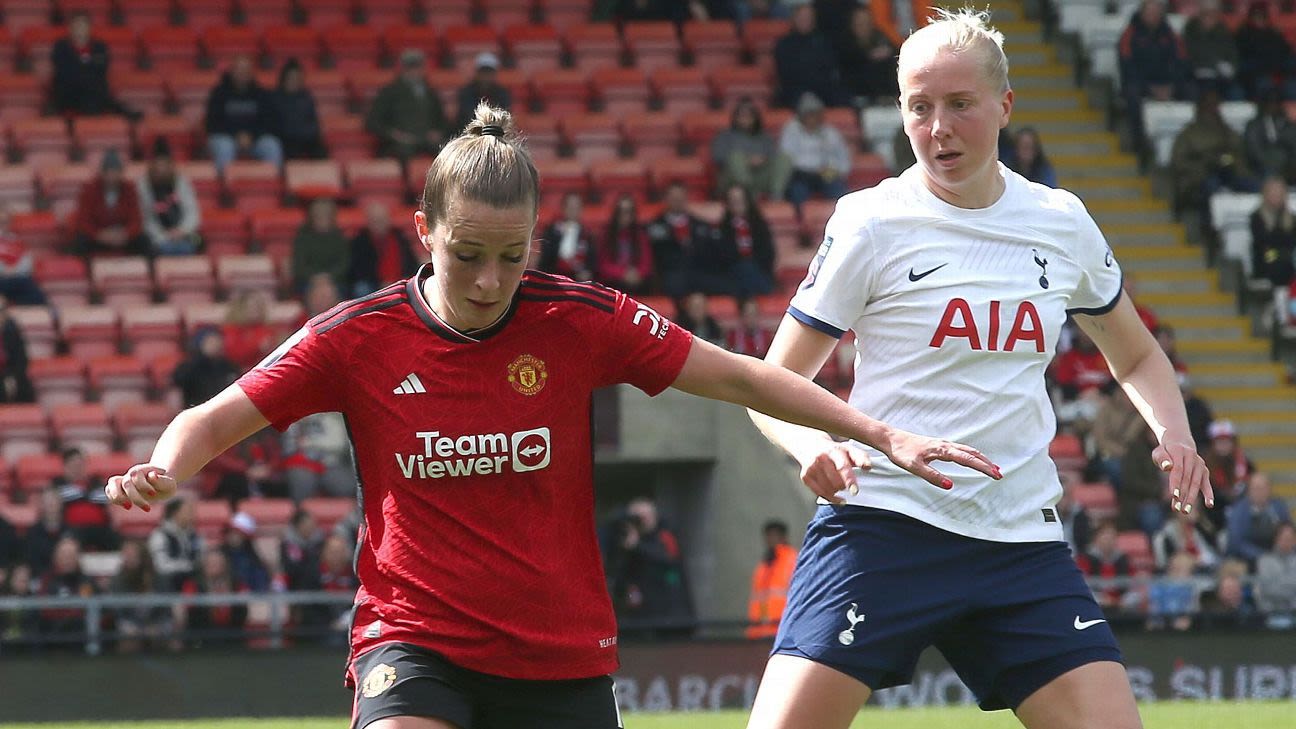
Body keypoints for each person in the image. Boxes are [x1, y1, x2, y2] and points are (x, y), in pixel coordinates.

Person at [104, 104, 997, 729]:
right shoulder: (357, 338)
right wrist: (166, 467)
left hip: (561, 653)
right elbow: (211, 418)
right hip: (414, 637)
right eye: (467, 255)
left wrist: (879, 432)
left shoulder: (580, 319)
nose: (492, 280)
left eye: (511, 253)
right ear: (424, 231)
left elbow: (744, 380)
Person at [743, 11, 1211, 729]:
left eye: (960, 104)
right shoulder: (870, 222)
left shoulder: (1060, 220)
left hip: (1019, 540)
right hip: (883, 525)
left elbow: (1138, 351)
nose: (938, 128)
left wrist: (1174, 431)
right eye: (919, 108)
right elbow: (772, 384)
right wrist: (814, 447)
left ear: (1005, 105)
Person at [1170, 87, 1256, 221]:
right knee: (1212, 187)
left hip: (1229, 173)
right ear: (1201, 107)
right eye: (1209, 105)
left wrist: (1229, 161)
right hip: (1201, 177)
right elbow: (1179, 162)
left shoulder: (1227, 131)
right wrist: (1205, 164)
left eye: (1215, 105)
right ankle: (1209, 228)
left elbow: (1240, 153)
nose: (1213, 109)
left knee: (1253, 185)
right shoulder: (1188, 134)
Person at [1119, 0, 1194, 151]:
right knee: (1132, 93)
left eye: (1156, 13)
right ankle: (1139, 141)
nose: (1153, 16)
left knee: (1192, 90)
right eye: (1149, 13)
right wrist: (1151, 88)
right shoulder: (1129, 34)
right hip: (1141, 83)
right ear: (1142, 14)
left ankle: (1189, 139)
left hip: (1168, 83)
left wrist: (1171, 86)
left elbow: (1182, 62)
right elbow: (1127, 67)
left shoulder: (1171, 34)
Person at [205, 55, 284, 174]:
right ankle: (224, 187)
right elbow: (212, 123)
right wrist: (236, 135)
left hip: (254, 139)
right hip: (225, 137)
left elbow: (269, 122)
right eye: (239, 70)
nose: (242, 74)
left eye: (246, 71)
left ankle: (272, 185)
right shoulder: (219, 93)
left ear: (251, 73)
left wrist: (251, 136)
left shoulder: (261, 94)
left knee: (272, 145)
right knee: (225, 147)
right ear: (232, 71)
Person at [366, 49, 448, 161]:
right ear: (403, 68)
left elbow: (441, 119)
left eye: (418, 66)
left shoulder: (430, 92)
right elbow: (373, 122)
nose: (414, 71)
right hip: (400, 143)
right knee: (403, 151)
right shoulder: (390, 92)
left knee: (446, 151)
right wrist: (395, 135)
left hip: (426, 139)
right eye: (410, 67)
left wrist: (437, 132)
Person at [50, 11, 135, 118]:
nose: (79, 29)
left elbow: (101, 70)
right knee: (91, 92)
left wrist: (78, 65)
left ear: (89, 28)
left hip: (94, 93)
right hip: (69, 94)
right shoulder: (60, 47)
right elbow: (63, 72)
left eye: (83, 26)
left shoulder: (100, 47)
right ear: (70, 28)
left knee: (96, 92)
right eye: (76, 26)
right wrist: (88, 65)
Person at [72, 149, 147, 257]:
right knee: (80, 241)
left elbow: (136, 220)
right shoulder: (89, 189)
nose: (112, 177)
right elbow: (83, 221)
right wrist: (99, 235)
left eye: (115, 172)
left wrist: (125, 234)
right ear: (102, 173)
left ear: (121, 173)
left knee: (144, 241)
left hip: (122, 236)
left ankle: (141, 271)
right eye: (108, 172)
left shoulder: (130, 189)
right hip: (98, 235)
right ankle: (86, 271)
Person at [779, 92, 852, 206]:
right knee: (797, 192)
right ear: (801, 116)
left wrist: (836, 171)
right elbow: (786, 157)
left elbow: (843, 158)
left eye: (815, 114)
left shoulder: (831, 132)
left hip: (826, 174)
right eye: (809, 115)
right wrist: (812, 168)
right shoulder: (791, 130)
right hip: (801, 174)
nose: (812, 118)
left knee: (839, 191)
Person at [137, 139, 202, 256]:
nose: (161, 169)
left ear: (171, 165)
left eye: (165, 165)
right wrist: (164, 235)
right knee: (144, 242)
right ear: (152, 165)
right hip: (156, 236)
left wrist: (181, 231)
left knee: (199, 240)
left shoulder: (182, 182)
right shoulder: (143, 185)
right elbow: (145, 218)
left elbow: (193, 213)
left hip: (183, 234)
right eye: (158, 165)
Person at [774, 3, 844, 109]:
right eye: (801, 17)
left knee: (843, 99)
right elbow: (785, 74)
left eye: (808, 17)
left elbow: (829, 69)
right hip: (795, 92)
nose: (805, 20)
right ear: (794, 19)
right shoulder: (784, 44)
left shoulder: (825, 42)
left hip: (823, 90)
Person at [347, 202, 419, 296]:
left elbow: (411, 263)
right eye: (376, 221)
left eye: (382, 220)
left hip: (399, 280)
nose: (379, 224)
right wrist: (380, 282)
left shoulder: (399, 238)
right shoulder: (360, 241)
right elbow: (358, 270)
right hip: (372, 283)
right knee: (362, 288)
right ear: (369, 222)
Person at [719, 184, 777, 298]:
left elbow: (768, 253)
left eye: (739, 200)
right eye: (733, 201)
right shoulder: (722, 229)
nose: (736, 204)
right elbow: (722, 256)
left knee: (750, 269)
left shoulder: (759, 226)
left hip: (758, 270)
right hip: (733, 274)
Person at [1225, 470, 1292, 567]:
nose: (1259, 492)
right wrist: (1261, 555)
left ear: (1269, 489)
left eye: (1263, 488)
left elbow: (1288, 530)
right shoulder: (1238, 511)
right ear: (1248, 491)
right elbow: (1235, 542)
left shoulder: (1279, 507)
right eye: (1256, 489)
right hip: (1246, 560)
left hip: (1278, 556)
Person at [837, 6, 900, 108]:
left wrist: (889, 53)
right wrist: (868, 57)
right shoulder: (845, 45)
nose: (863, 26)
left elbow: (896, 54)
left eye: (866, 22)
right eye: (859, 23)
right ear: (852, 24)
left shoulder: (880, 37)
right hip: (859, 97)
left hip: (888, 98)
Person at [1182, 0, 1244, 100]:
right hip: (1196, 75)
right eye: (1206, 13)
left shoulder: (1224, 32)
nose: (1209, 17)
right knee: (1191, 91)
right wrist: (1217, 64)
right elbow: (1193, 53)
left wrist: (1231, 68)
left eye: (1213, 13)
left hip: (1220, 78)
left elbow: (1233, 55)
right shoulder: (1191, 30)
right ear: (1200, 14)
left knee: (1236, 92)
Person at [1236, 0, 1296, 100]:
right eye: (1256, 16)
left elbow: (1287, 54)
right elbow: (1242, 62)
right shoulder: (1243, 35)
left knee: (1292, 86)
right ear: (1250, 17)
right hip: (1255, 77)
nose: (1259, 19)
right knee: (1264, 83)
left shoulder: (1275, 34)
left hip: (1279, 74)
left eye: (1262, 16)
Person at [747, 519, 797, 639]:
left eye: (774, 535)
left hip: (783, 630)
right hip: (760, 632)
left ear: (783, 537)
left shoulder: (792, 560)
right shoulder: (765, 564)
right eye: (768, 536)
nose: (770, 540)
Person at [596, 193, 654, 294]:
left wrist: (637, 274)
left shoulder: (641, 235)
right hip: (614, 283)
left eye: (628, 212)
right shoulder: (607, 235)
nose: (625, 216)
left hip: (638, 282)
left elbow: (647, 263)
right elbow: (603, 265)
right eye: (621, 212)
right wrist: (622, 273)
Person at [291, 196, 350, 294]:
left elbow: (344, 264)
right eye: (318, 216)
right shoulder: (302, 237)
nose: (322, 219)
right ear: (312, 217)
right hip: (308, 281)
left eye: (326, 215)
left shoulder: (340, 237)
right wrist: (315, 278)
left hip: (335, 281)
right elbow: (299, 266)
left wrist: (329, 277)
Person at [270, 59, 327, 161]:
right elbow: (275, 125)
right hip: (286, 139)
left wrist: (307, 134)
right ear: (284, 79)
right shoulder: (275, 98)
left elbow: (314, 123)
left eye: (297, 78)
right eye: (291, 78)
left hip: (305, 138)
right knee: (290, 150)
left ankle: (322, 176)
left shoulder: (307, 98)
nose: (294, 81)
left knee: (320, 150)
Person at [172, 327, 240, 408]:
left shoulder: (229, 367)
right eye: (210, 341)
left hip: (225, 412)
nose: (215, 344)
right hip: (196, 411)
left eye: (217, 340)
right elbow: (175, 393)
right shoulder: (187, 368)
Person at [538, 193, 598, 281]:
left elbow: (592, 261)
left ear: (581, 209)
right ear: (563, 208)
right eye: (570, 207)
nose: (572, 211)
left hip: (578, 279)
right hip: (555, 277)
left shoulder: (587, 234)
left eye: (576, 207)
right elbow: (545, 260)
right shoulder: (552, 231)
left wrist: (587, 272)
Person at [1249, 175, 1296, 289]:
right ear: (1265, 195)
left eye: (1279, 193)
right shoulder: (1257, 217)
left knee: (1288, 260)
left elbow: (1291, 241)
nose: (1276, 197)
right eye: (1273, 193)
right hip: (1266, 256)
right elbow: (1262, 242)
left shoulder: (1291, 217)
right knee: (1278, 261)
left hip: (1288, 255)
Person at [148, 496, 202, 592]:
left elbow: (201, 557)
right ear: (175, 513)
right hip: (170, 579)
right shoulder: (160, 535)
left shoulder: (194, 535)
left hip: (191, 576)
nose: (192, 514)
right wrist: (187, 566)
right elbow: (161, 565)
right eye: (188, 511)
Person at [1243, 91, 1296, 184]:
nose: (1273, 106)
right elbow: (1254, 151)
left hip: (1288, 167)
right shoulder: (1254, 125)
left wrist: (1288, 164)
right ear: (1263, 104)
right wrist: (1272, 163)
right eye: (1270, 102)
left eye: (1276, 103)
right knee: (1269, 174)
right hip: (1262, 167)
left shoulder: (1289, 125)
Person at [221, 289, 281, 371]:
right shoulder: (230, 329)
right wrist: (257, 348)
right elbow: (234, 354)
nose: (255, 310)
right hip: (232, 372)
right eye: (250, 307)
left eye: (257, 306)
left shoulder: (267, 330)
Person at [0, 206, 48, 306]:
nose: (2, 225)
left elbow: (27, 263)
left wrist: (14, 270)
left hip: (18, 278)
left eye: (5, 222)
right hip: (2, 279)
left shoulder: (16, 241)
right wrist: (4, 270)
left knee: (35, 294)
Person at [455, 53, 512, 133]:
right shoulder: (466, 92)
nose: (486, 76)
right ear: (477, 73)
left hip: (496, 131)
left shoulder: (502, 93)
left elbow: (504, 114)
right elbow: (466, 115)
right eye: (483, 72)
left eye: (489, 72)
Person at [0, 295, 36, 404]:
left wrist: (11, 379)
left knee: (20, 385)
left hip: (8, 379)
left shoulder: (11, 331)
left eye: (2, 311)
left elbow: (21, 363)